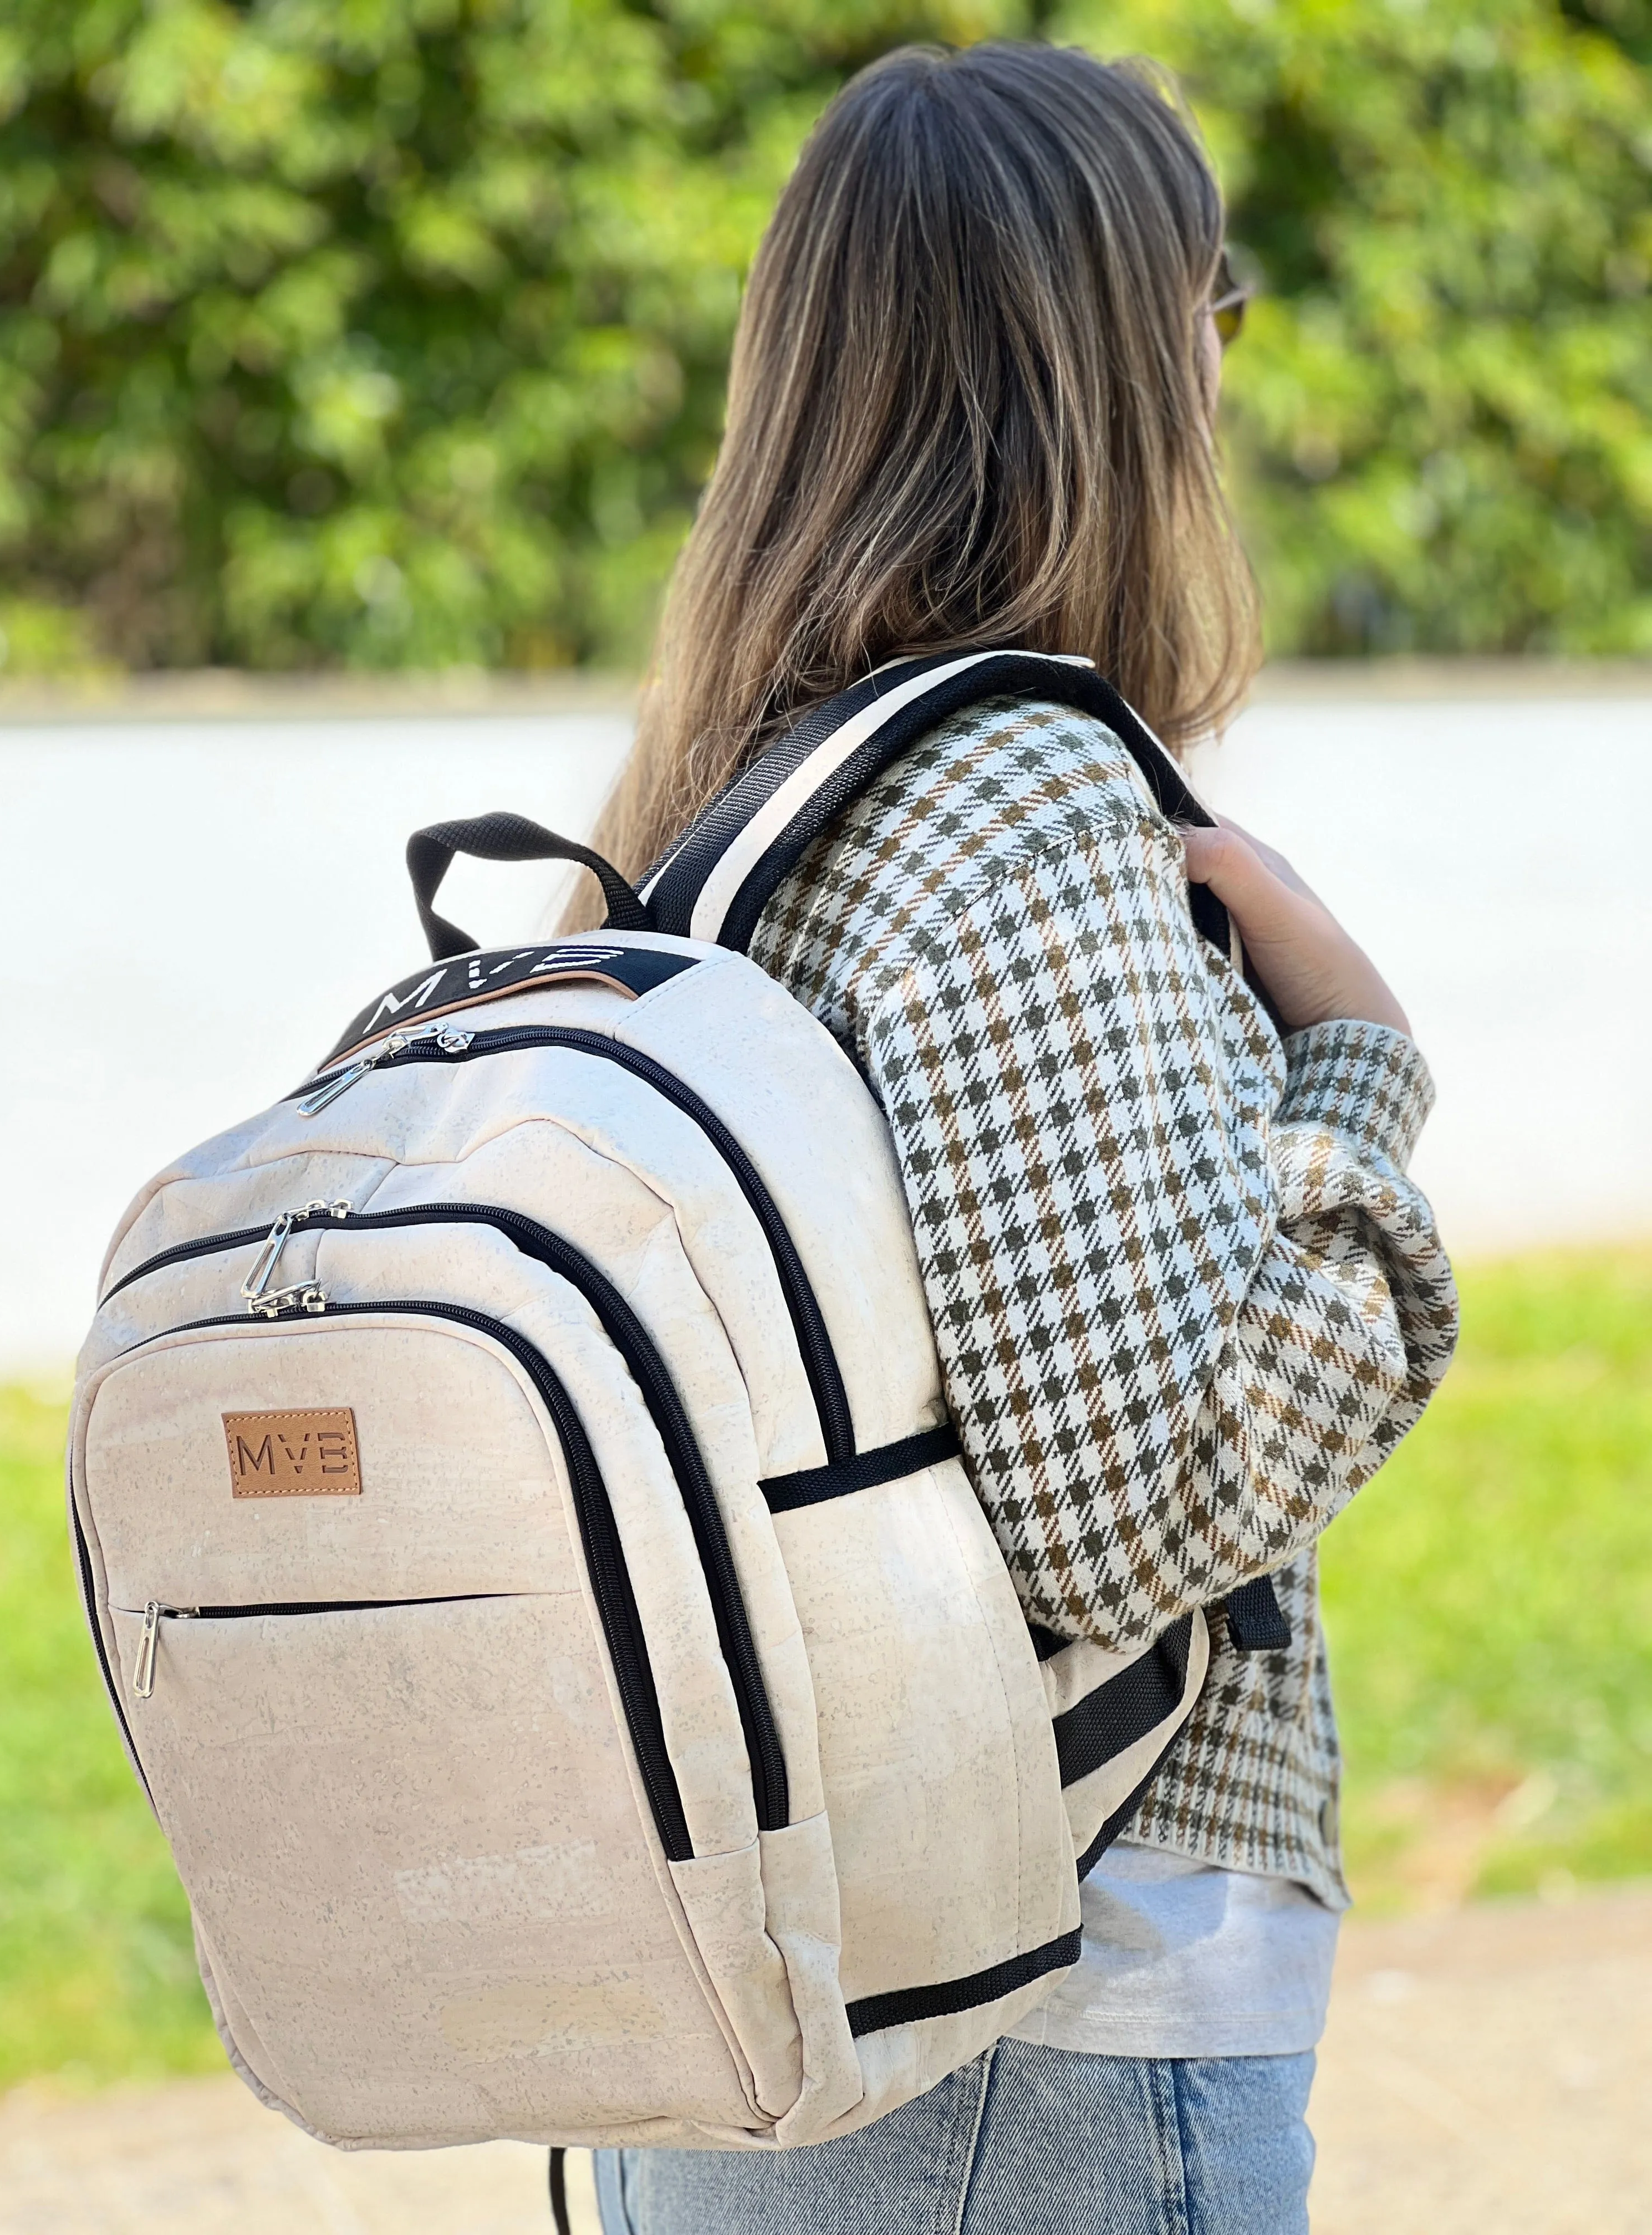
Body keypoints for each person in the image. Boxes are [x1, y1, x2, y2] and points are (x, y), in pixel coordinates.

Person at [585, 38, 1458, 2234]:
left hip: (768, 1993)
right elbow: (1138, 1501)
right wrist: (1355, 1062)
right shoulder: (1015, 803)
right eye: (1213, 312)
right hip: (1040, 2031)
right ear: (1133, 356)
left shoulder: (709, 820)